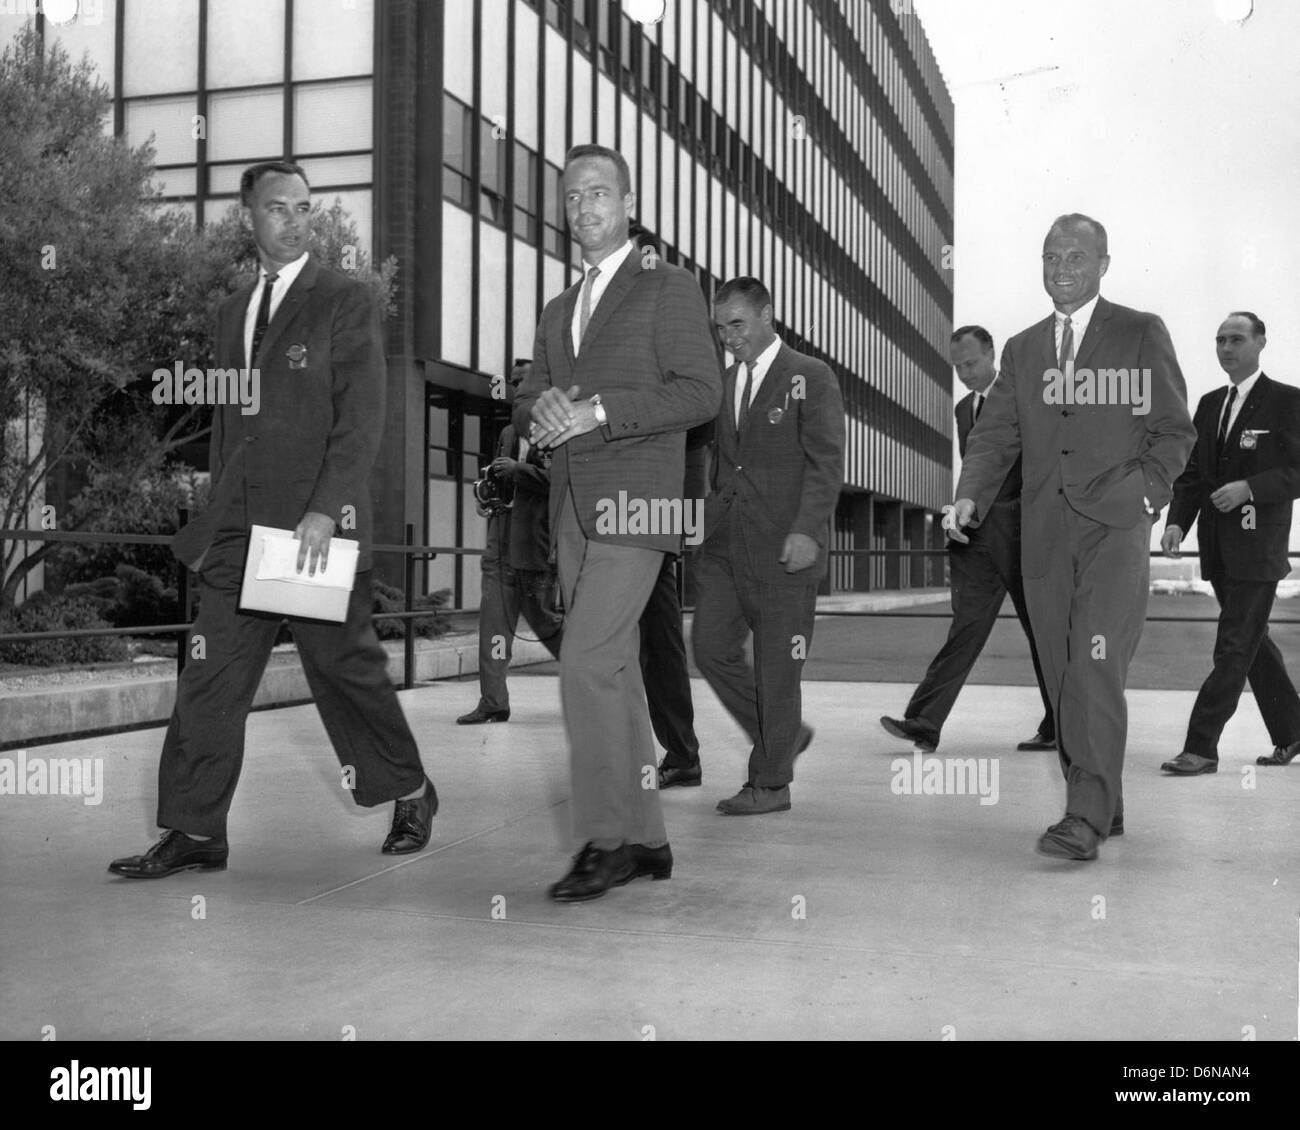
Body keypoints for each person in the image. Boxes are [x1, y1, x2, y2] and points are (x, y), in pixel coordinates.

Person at [109, 161, 436, 879]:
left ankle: (409, 789)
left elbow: (361, 421)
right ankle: (196, 831)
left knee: (341, 670)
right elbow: (233, 426)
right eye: (278, 207)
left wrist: (325, 509)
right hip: (238, 530)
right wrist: (215, 500)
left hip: (310, 528)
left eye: (304, 208)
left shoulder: (345, 300)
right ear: (247, 216)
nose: (294, 219)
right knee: (208, 673)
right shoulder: (232, 313)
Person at [951, 213, 1195, 861]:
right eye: (1051, 255)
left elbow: (1174, 431)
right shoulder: (1025, 349)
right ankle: (1104, 799)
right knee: (1061, 675)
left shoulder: (1140, 333)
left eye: (1077, 256)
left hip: (1114, 530)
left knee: (1092, 666)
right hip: (1045, 537)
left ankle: (1083, 813)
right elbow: (996, 434)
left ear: (1104, 264)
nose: (1061, 267)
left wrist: (1145, 495)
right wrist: (970, 494)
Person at [514, 144, 721, 901]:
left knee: (585, 663)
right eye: (572, 197)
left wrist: (600, 412)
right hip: (572, 507)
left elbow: (702, 393)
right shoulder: (558, 310)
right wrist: (536, 411)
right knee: (620, 674)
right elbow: (530, 393)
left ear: (629, 202)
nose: (584, 208)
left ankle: (602, 840)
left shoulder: (668, 289)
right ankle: (648, 841)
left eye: (599, 193)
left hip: (640, 503)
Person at [692, 276, 845, 815]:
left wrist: (806, 529)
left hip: (786, 548)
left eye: (736, 324)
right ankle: (784, 735)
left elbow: (827, 463)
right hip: (725, 546)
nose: (728, 337)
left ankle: (771, 783)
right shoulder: (724, 380)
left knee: (778, 667)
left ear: (767, 315)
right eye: (720, 328)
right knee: (709, 647)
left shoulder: (809, 376)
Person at [881, 326, 1055, 754]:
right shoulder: (962, 410)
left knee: (1044, 635)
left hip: (1023, 538)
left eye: (972, 363)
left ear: (992, 354)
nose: (964, 373)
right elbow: (978, 467)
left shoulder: (1025, 396)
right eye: (957, 366)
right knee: (965, 630)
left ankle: (1061, 726)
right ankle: (924, 722)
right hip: (975, 539)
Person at [1160, 312, 1300, 773]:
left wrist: (1251, 488)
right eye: (1219, 339)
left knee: (1234, 645)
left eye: (1237, 339)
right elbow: (1193, 476)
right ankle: (1294, 731)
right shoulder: (1208, 403)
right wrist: (1177, 523)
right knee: (1253, 644)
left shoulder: (1287, 401)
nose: (1226, 347)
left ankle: (1201, 747)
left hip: (1259, 549)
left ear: (1261, 342)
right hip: (1217, 549)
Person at [457, 359, 563, 725]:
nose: (518, 391)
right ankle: (493, 703)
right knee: (493, 628)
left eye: (525, 383)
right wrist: (488, 492)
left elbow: (562, 482)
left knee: (549, 626)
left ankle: (597, 684)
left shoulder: (555, 430)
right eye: (514, 383)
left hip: (536, 547)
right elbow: (500, 481)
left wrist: (521, 472)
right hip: (500, 545)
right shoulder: (506, 433)